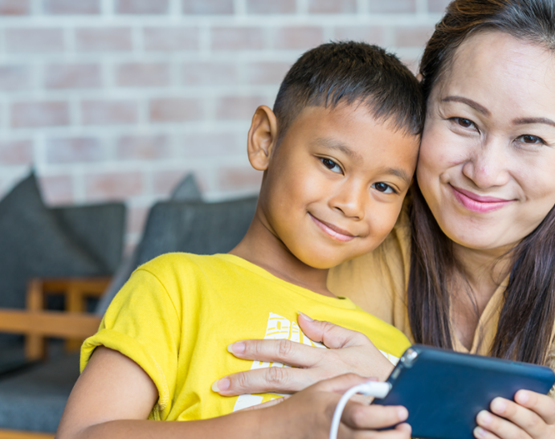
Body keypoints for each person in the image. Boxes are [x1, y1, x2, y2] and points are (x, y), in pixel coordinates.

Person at [211, 0, 555, 439]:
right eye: (463, 122)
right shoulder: (368, 224)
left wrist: (393, 390)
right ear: (424, 104)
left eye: (529, 138)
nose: (484, 172)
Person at [56, 42, 424, 439]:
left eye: (384, 186)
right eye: (331, 163)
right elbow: (82, 434)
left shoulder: (388, 351)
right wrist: (277, 426)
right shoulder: (175, 288)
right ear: (265, 140)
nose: (352, 204)